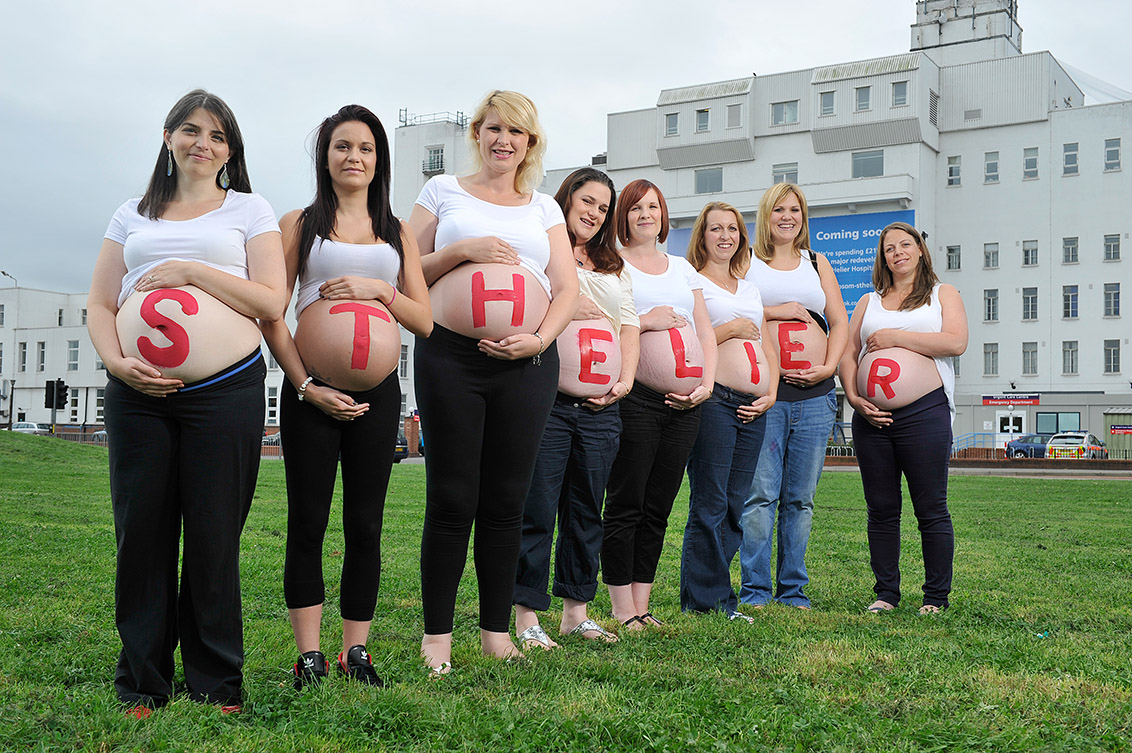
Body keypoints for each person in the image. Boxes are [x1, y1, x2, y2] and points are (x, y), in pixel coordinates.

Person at [87, 89, 286, 713]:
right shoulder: (131, 214)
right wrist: (116, 362)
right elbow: (100, 302)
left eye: (218, 135)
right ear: (168, 137)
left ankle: (216, 682)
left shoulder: (250, 209)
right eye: (192, 130)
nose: (204, 144)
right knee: (141, 535)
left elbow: (271, 300)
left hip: (224, 391)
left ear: (230, 150)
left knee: (212, 536)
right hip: (137, 394)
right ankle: (143, 681)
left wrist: (193, 272)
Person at [260, 105, 432, 689]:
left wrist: (379, 289)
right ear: (325, 155)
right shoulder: (299, 223)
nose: (353, 156)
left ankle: (355, 651)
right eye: (342, 146)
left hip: (377, 396)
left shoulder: (397, 232)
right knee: (307, 521)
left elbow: (424, 321)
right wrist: (305, 386)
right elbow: (272, 313)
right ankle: (308, 655)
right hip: (310, 393)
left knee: (366, 525)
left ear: (379, 160)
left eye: (365, 147)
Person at [409, 90, 578, 673]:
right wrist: (463, 251)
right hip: (450, 357)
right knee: (452, 496)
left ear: (530, 144)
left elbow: (566, 288)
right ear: (477, 132)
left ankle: (495, 632)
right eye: (494, 128)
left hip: (527, 364)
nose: (504, 140)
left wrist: (540, 339)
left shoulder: (545, 209)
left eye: (516, 132)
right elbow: (406, 271)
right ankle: (437, 637)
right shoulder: (442, 191)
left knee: (508, 500)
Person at [512, 168, 639, 649]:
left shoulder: (613, 264)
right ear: (565, 199)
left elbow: (629, 325)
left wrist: (624, 381)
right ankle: (527, 617)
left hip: (602, 408)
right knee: (538, 508)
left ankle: (576, 613)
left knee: (587, 511)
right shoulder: (543, 248)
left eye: (603, 208)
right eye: (587, 201)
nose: (594, 213)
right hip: (549, 401)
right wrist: (569, 304)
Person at [602, 179, 717, 630]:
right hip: (637, 399)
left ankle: (642, 605)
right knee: (627, 501)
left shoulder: (683, 269)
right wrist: (647, 321)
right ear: (623, 216)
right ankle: (620, 608)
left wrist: (705, 384)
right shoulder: (613, 265)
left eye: (653, 207)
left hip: (687, 405)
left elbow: (704, 331)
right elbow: (605, 324)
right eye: (636, 208)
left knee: (659, 506)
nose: (645, 214)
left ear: (663, 215)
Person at [839, 222, 966, 614]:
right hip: (871, 418)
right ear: (883, 258)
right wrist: (855, 398)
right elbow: (848, 353)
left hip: (924, 413)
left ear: (920, 250)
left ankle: (935, 598)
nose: (898, 253)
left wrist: (896, 337)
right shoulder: (869, 301)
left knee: (931, 507)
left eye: (905, 245)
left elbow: (956, 342)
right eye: (890, 248)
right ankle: (886, 594)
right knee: (881, 508)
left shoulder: (943, 294)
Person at [740, 183, 847, 610]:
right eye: (779, 209)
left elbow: (840, 322)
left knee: (800, 500)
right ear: (765, 214)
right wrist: (775, 311)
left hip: (816, 397)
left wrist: (829, 366)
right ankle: (755, 590)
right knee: (760, 497)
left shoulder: (817, 262)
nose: (788, 217)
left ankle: (793, 590)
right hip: (766, 394)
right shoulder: (747, 261)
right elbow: (728, 307)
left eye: (795, 210)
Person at [681, 202, 778, 619]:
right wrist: (731, 329)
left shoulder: (750, 288)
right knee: (711, 502)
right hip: (716, 401)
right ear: (702, 236)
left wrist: (771, 392)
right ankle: (705, 600)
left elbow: (766, 345)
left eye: (733, 229)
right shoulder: (692, 282)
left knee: (736, 503)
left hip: (754, 407)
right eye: (716, 229)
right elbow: (689, 338)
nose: (725, 236)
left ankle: (716, 596)